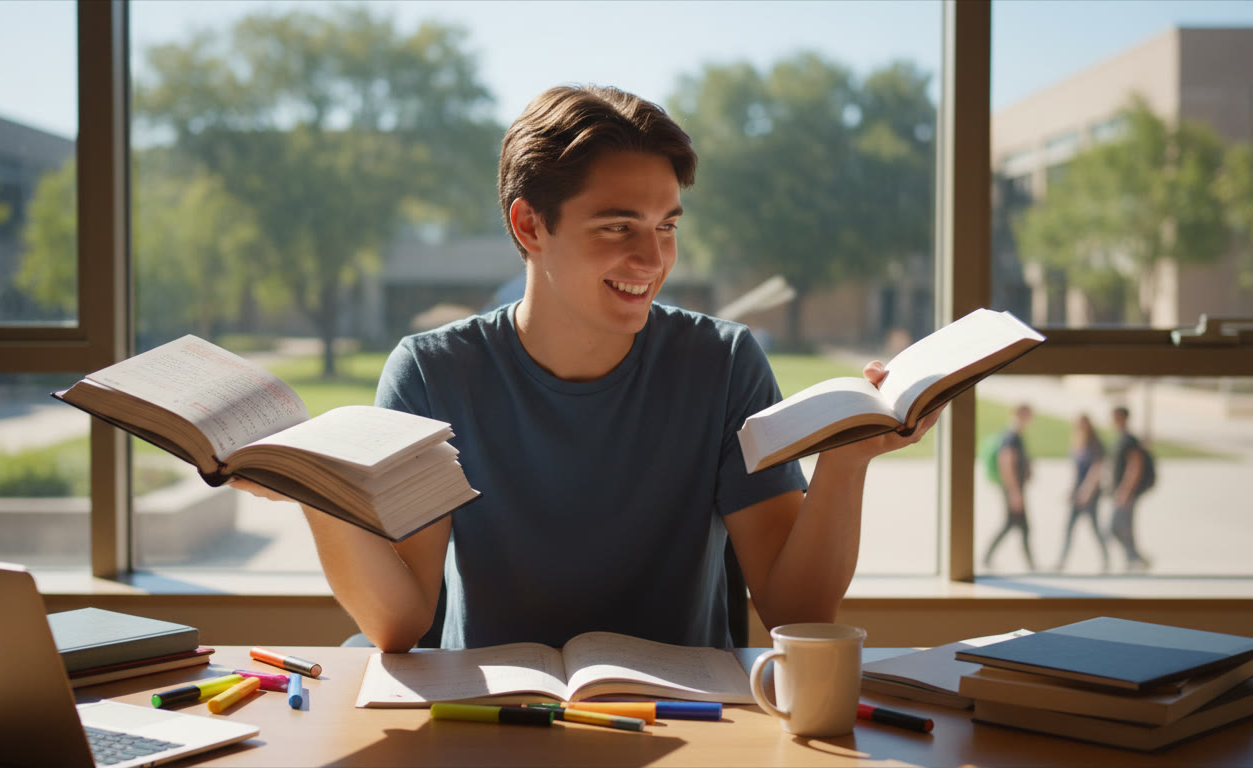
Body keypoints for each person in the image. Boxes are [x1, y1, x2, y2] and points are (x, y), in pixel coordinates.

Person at [233, 84, 941, 652]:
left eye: (666, 225)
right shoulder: (432, 373)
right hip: (490, 727)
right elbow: (399, 623)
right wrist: (316, 489)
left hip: (687, 724)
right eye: (617, 226)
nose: (653, 259)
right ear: (529, 226)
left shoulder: (724, 363)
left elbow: (798, 610)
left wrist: (847, 466)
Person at [982, 403, 1036, 571]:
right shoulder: (1011, 436)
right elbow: (1006, 463)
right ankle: (988, 557)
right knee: (1015, 525)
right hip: (1012, 489)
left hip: (1015, 489)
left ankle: (1029, 563)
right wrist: (1014, 492)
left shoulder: (1015, 435)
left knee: (1018, 525)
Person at [1055, 413, 1108, 572]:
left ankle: (1106, 559)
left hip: (1090, 493)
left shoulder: (1095, 444)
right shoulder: (1076, 442)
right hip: (1078, 491)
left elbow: (1096, 470)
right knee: (1069, 527)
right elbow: (1076, 472)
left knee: (1094, 528)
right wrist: (1072, 491)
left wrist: (1086, 491)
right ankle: (1062, 560)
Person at [1107, 405, 1152, 571]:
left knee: (1116, 527)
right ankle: (1134, 559)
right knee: (1123, 527)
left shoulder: (1129, 440)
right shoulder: (1121, 438)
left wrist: (1125, 490)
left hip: (1126, 492)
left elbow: (1135, 466)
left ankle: (1135, 558)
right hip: (1120, 491)